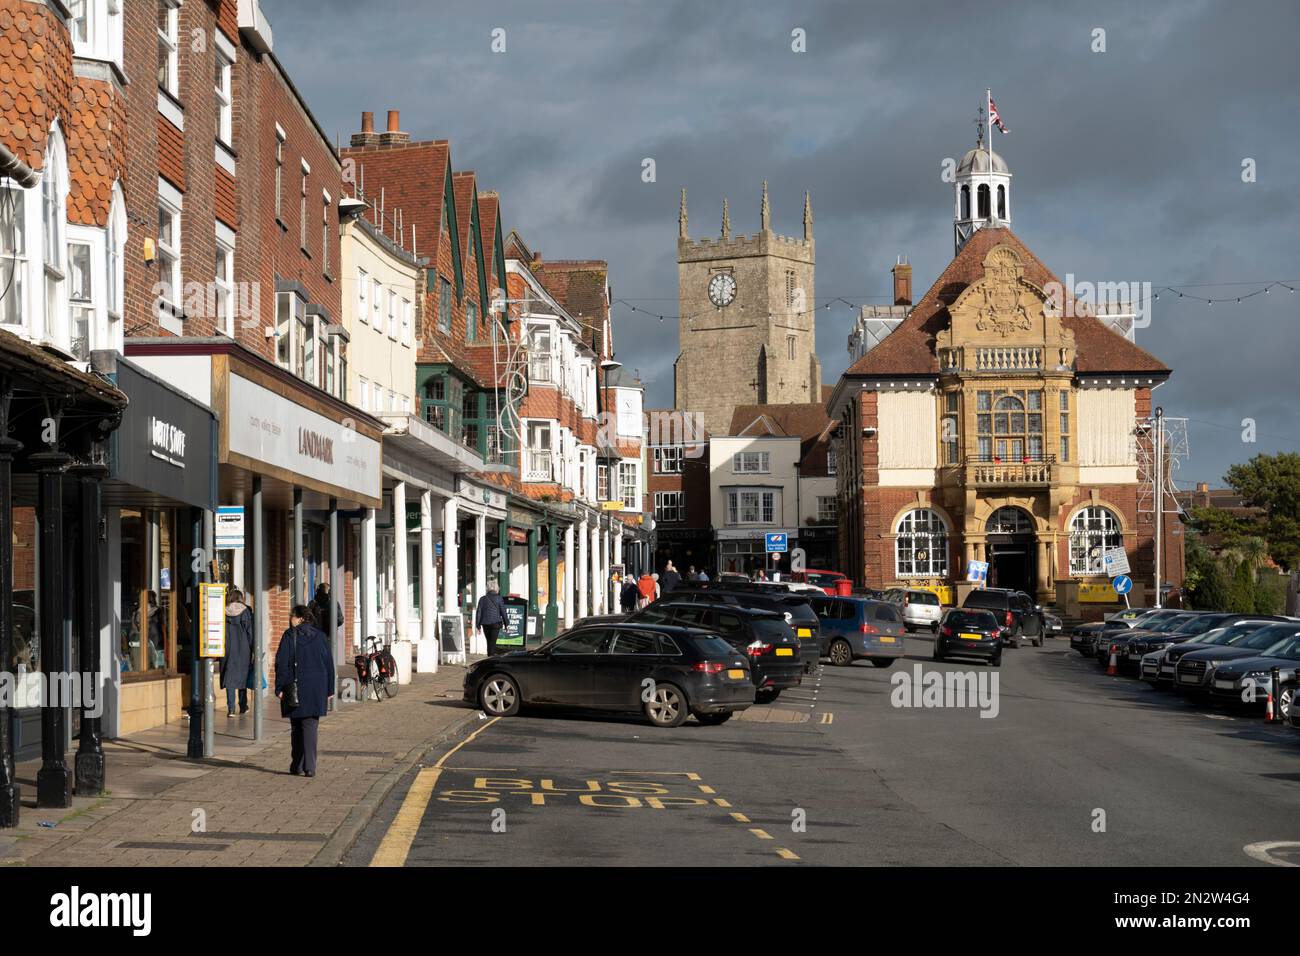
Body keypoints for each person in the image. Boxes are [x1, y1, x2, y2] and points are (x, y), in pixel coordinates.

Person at [275, 605, 334, 777]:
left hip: (295, 686)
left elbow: (282, 663)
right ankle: (310, 766)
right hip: (317, 687)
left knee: (296, 727)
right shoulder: (321, 636)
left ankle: (297, 764)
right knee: (310, 726)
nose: (289, 620)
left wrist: (279, 687)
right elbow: (329, 664)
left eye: (291, 617)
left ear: (299, 618)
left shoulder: (289, 635)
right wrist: (330, 689)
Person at [221, 588, 255, 717]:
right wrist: (253, 649)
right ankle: (243, 705)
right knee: (242, 677)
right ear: (241, 598)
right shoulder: (245, 611)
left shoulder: (223, 611)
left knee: (229, 678)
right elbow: (249, 632)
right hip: (243, 649)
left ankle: (230, 708)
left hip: (228, 649)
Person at [474, 580, 509, 656]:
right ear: (497, 588)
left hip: (485, 623)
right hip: (496, 623)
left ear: (487, 588)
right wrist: (507, 624)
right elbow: (503, 612)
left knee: (489, 642)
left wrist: (478, 625)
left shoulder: (482, 599)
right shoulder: (499, 598)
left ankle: (489, 658)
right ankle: (491, 659)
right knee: (492, 642)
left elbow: (479, 612)